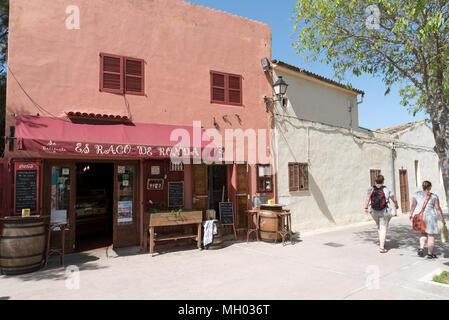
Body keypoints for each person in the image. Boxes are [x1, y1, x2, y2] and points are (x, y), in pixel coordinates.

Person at [409, 181, 446, 259]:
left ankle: (421, 248)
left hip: (420, 217)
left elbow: (413, 205)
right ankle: (430, 254)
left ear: (422, 186)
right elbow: (437, 208)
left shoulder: (416, 194)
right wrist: (442, 218)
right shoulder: (434, 196)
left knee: (423, 233)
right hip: (431, 217)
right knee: (431, 235)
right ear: (430, 187)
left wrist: (411, 214)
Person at [364, 175, 399, 253]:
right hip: (385, 211)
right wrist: (396, 205)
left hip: (374, 211)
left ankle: (381, 242)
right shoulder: (387, 189)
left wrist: (366, 208)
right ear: (383, 181)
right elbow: (394, 199)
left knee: (379, 226)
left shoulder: (371, 189)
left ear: (375, 181)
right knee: (383, 228)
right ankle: (382, 247)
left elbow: (367, 199)